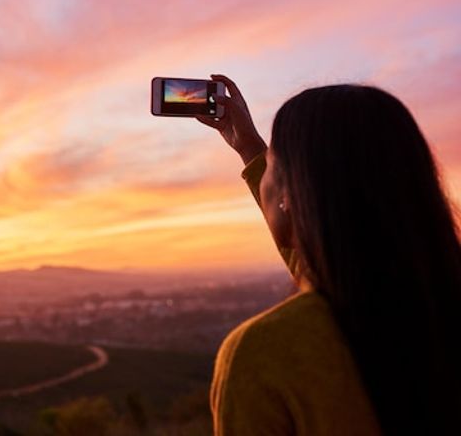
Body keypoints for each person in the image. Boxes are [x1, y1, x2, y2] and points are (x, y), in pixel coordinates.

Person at [195, 75, 461, 436]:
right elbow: (330, 263)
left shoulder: (266, 353)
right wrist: (251, 149)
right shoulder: (432, 303)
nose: (265, 175)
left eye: (273, 163)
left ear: (295, 193)